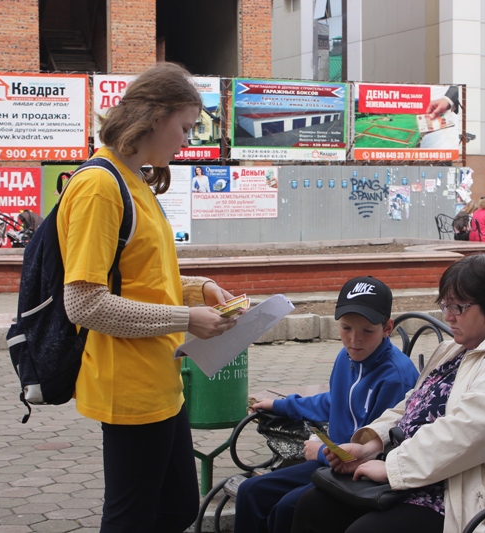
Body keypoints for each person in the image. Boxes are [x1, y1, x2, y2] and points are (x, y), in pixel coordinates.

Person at [58, 62, 239, 533]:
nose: (187, 139)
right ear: (154, 116)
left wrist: (200, 290)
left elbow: (142, 277)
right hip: (128, 388)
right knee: (132, 518)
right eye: (184, 126)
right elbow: (85, 303)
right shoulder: (101, 186)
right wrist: (186, 316)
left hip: (162, 382)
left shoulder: (136, 179)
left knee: (177, 509)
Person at [291, 254, 485, 533]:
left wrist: (393, 467)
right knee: (312, 507)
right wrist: (371, 444)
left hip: (474, 499)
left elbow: (474, 431)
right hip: (425, 478)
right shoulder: (457, 348)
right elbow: (412, 403)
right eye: (445, 305)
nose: (447, 316)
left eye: (458, 307)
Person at [234, 276, 420, 533]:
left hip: (358, 473)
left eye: (367, 331)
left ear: (387, 328)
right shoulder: (346, 358)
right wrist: (282, 406)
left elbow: (376, 448)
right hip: (329, 463)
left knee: (287, 508)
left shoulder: (395, 378)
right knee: (251, 491)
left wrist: (321, 450)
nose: (354, 340)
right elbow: (335, 401)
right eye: (346, 328)